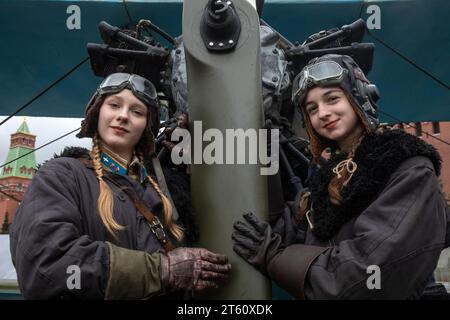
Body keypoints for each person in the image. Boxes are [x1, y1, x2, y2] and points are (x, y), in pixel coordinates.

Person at [231, 54, 448, 299]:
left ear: (360, 97)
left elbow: (366, 275)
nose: (323, 113)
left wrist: (273, 257)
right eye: (312, 109)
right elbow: (289, 229)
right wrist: (264, 155)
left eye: (332, 99)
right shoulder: (328, 178)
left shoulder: (409, 169)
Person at [10, 73, 231, 299]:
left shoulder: (166, 194)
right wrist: (162, 270)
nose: (123, 116)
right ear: (97, 113)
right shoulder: (61, 175)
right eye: (114, 105)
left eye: (137, 112)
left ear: (146, 126)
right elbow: (46, 267)